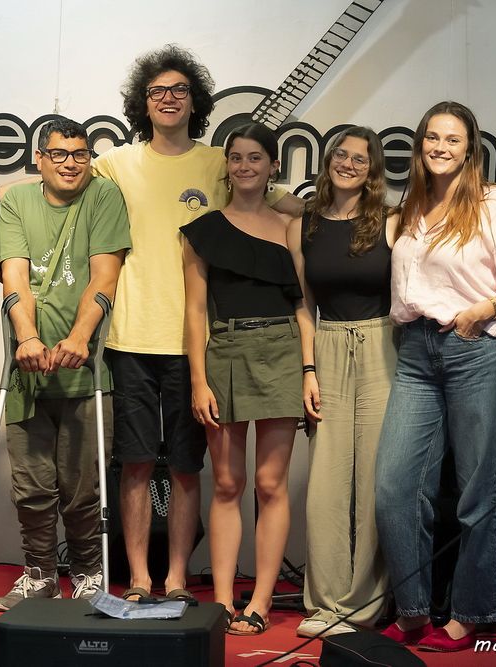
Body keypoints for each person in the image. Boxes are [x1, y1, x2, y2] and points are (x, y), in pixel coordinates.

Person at [93, 44, 302, 602]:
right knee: (136, 463)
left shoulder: (219, 162)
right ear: (143, 102)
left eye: (179, 90)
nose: (168, 99)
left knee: (189, 467)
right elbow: (57, 183)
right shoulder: (116, 163)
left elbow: (286, 208)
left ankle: (178, 578)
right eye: (158, 91)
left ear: (195, 101)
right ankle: (140, 578)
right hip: (132, 336)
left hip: (200, 346)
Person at [374, 101, 496, 651]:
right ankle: (413, 611)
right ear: (420, 144)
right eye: (433, 137)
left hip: (476, 349)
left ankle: (470, 612)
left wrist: (482, 309)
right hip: (416, 351)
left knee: (476, 491)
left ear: (470, 148)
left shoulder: (492, 203)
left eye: (453, 139)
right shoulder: (411, 206)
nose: (441, 147)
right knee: (395, 487)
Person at [0, 117, 130, 609]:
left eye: (80, 154)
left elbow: (104, 278)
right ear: (40, 159)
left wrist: (78, 337)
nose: (70, 163)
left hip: (87, 370)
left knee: (83, 487)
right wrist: (27, 337)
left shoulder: (104, 196)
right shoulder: (16, 201)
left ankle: (88, 573)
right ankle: (40, 575)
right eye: (59, 154)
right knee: (31, 487)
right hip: (27, 370)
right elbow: (15, 279)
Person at [181, 122, 303, 635]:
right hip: (225, 352)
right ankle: (222, 599)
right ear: (226, 166)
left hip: (282, 351)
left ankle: (261, 601)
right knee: (228, 483)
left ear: (273, 166)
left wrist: (310, 370)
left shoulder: (293, 226)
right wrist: (198, 380)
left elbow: (303, 305)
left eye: (256, 157)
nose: (245, 166)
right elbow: (194, 312)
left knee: (270, 484)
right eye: (236, 157)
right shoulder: (202, 230)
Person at [287, 126, 398, 637]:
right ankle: (325, 603)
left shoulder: (392, 221)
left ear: (372, 169)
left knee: (374, 481)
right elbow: (303, 305)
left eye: (360, 158)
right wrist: (308, 369)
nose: (348, 164)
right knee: (326, 484)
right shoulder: (303, 224)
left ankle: (363, 605)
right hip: (327, 346)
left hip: (382, 345)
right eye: (341, 154)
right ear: (328, 159)